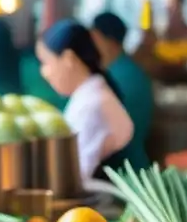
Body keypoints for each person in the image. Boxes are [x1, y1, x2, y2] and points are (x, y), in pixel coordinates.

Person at [37, 19, 134, 182]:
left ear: (68, 58)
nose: (44, 72)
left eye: (46, 62)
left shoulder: (92, 104)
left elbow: (74, 176)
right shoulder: (90, 94)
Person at [91, 12, 153, 170]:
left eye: (94, 39)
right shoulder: (126, 70)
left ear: (109, 42)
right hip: (132, 165)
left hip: (126, 170)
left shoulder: (120, 78)